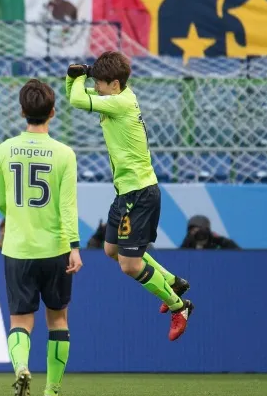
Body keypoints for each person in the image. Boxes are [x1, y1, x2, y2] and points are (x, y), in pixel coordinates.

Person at [66, 52, 193, 341]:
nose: (95, 87)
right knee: (111, 250)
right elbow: (76, 95)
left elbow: (75, 99)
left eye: (99, 83)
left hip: (140, 192)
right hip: (126, 191)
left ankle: (180, 306)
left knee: (130, 264)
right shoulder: (120, 94)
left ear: (114, 83)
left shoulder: (120, 103)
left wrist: (75, 77)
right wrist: (76, 77)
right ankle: (174, 282)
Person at [0, 79, 82, 396]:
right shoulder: (64, 154)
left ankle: (21, 368)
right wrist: (73, 245)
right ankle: (51, 394)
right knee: (58, 320)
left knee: (20, 321)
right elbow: (68, 206)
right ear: (53, 112)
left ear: (21, 111)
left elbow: (0, 201)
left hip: (18, 249)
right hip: (57, 249)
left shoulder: (5, 149)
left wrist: (18, 216)